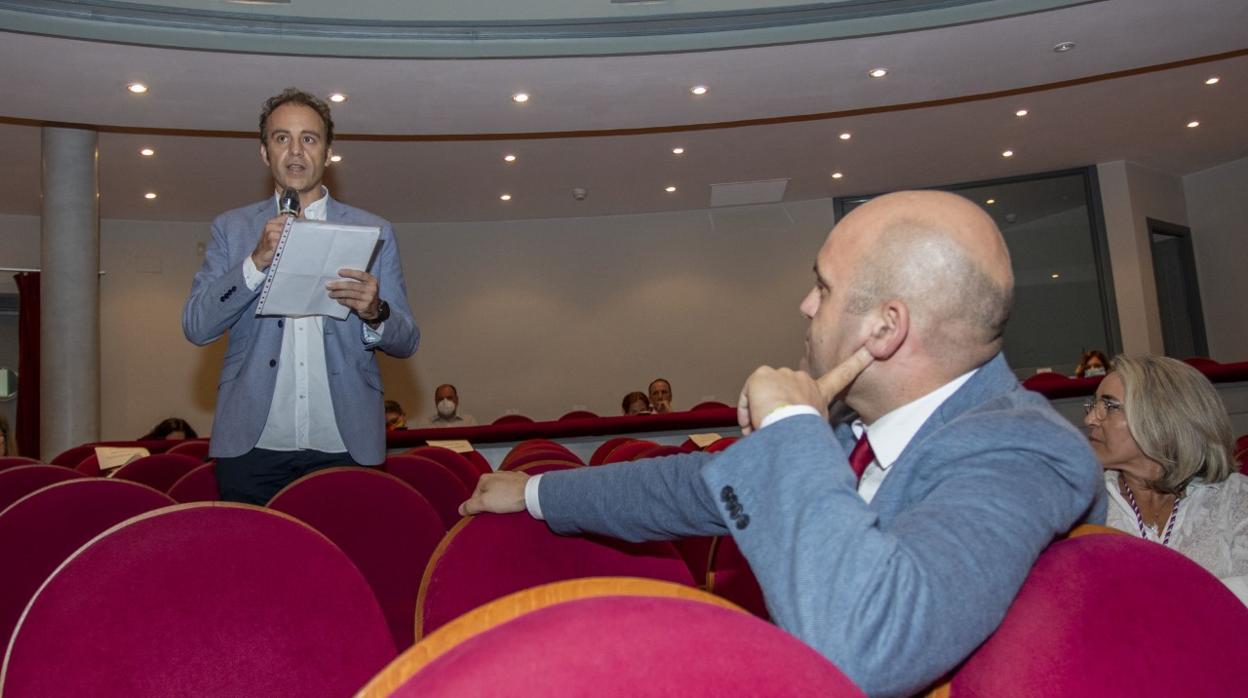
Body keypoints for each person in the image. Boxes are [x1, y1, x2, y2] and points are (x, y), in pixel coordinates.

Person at [462, 190, 1104, 698]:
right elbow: (689, 485)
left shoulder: (1022, 448)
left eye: (823, 287)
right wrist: (537, 491)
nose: (804, 305)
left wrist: (794, 429)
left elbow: (868, 648)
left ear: (886, 328)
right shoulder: (851, 432)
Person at [183, 88, 419, 505]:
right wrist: (254, 263)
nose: (295, 150)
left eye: (309, 138)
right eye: (281, 138)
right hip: (253, 445)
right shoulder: (232, 229)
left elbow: (407, 339)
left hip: (346, 442)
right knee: (254, 567)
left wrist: (374, 311)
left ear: (327, 152)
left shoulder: (375, 230)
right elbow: (197, 326)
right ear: (263, 152)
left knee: (344, 566)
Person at [1083, 355, 1247, 602]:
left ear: (1160, 417)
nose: (1090, 419)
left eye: (1108, 406)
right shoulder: (1081, 506)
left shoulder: (1237, 500)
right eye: (1093, 406)